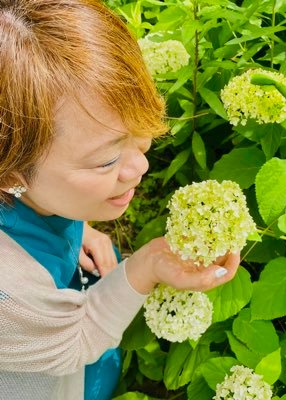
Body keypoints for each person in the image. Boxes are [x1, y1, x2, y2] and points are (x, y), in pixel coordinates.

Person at [0, 1, 240, 399]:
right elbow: (73, 343)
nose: (140, 165)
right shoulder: (11, 297)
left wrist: (85, 227)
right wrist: (144, 268)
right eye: (107, 159)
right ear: (11, 172)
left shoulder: (34, 180)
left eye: (139, 128)